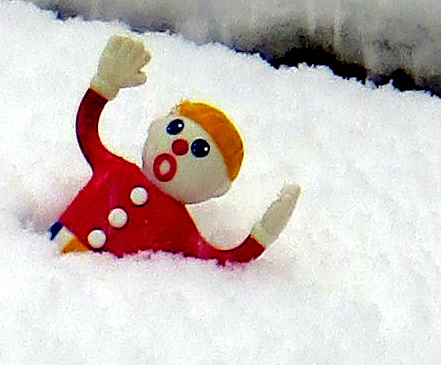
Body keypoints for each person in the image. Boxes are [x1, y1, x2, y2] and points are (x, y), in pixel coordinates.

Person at [53, 32, 301, 261]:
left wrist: (264, 233)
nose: (180, 146)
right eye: (174, 129)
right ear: (156, 126)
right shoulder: (113, 170)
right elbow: (87, 128)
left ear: (218, 188)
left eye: (200, 150)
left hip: (96, 296)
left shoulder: (178, 227)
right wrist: (104, 83)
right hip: (48, 258)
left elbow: (221, 259)